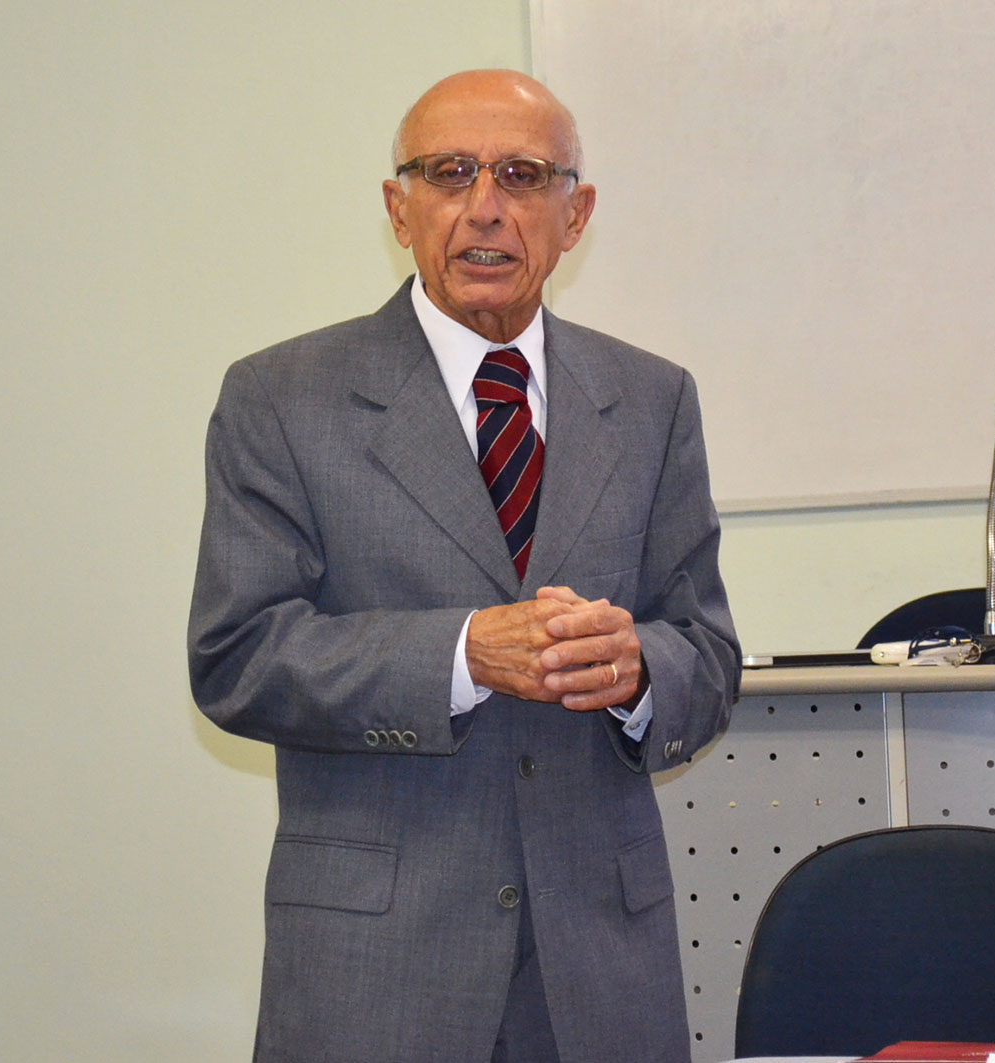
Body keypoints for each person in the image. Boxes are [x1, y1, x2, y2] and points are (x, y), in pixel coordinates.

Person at [188, 68, 740, 1063]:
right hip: (374, 977)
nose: (485, 207)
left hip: (598, 975)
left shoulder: (653, 400)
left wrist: (638, 672)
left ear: (576, 215)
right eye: (449, 173)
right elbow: (238, 658)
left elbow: (708, 654)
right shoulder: (281, 398)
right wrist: (464, 653)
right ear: (399, 208)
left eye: (522, 176)